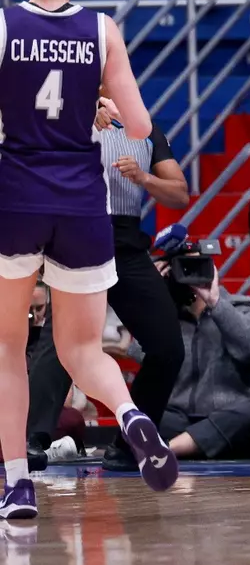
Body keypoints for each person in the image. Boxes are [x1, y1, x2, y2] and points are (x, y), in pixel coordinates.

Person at [0, 0, 176, 520]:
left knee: (9, 348)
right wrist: (94, 104)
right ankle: (131, 418)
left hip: (17, 195)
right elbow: (142, 128)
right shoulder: (101, 31)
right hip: (81, 201)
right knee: (83, 348)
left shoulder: (3, 24)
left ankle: (18, 485)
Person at [26, 126, 187, 475]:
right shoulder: (66, 119)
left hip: (128, 244)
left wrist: (144, 177)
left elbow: (179, 194)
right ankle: (31, 440)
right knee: (63, 341)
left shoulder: (146, 133)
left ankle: (131, 442)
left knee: (169, 347)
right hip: (80, 232)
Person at [156, 248, 250, 461]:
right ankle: (192, 444)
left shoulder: (240, 306)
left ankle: (169, 449)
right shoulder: (166, 314)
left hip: (231, 418)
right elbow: (141, 355)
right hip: (180, 419)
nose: (191, 274)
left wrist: (216, 303)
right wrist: (154, 298)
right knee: (140, 412)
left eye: (198, 266)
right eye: (184, 267)